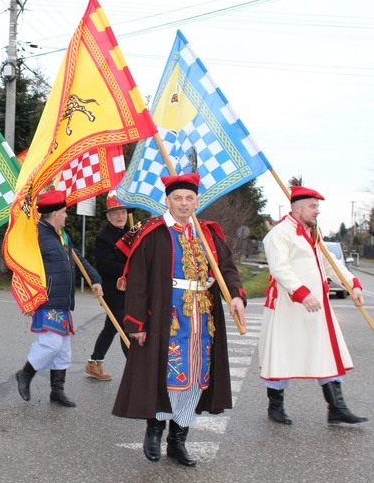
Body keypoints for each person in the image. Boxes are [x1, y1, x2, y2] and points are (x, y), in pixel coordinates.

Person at [112, 173, 246, 467]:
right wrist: (136, 324)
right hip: (166, 317)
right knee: (167, 377)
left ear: (197, 201)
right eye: (178, 198)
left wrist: (235, 294)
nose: (184, 204)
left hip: (203, 320)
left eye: (189, 198)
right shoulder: (153, 231)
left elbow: (226, 268)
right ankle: (155, 430)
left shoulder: (208, 233)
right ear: (168, 201)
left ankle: (178, 440)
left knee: (197, 377)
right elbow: (137, 280)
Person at [259, 185, 367, 426]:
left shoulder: (313, 234)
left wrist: (352, 284)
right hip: (289, 306)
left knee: (327, 351)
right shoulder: (280, 234)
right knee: (280, 353)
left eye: (317, 206)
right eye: (313, 206)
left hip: (317, 308)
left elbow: (330, 265)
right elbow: (280, 268)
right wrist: (302, 292)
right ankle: (275, 406)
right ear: (297, 208)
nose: (317, 211)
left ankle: (337, 408)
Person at [14, 190, 103, 407]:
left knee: (63, 348)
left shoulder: (61, 235)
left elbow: (77, 258)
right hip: (47, 299)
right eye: (64, 212)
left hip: (63, 300)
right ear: (54, 214)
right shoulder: (36, 236)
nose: (66, 216)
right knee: (51, 344)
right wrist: (28, 296)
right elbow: (23, 267)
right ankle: (25, 374)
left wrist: (94, 278)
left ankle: (57, 391)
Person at [85, 190, 134, 381]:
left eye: (122, 212)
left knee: (111, 327)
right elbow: (108, 266)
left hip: (129, 289)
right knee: (125, 328)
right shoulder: (103, 238)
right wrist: (133, 269)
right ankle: (134, 371)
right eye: (115, 213)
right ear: (108, 216)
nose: (120, 216)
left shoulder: (130, 232)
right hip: (113, 291)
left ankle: (94, 363)